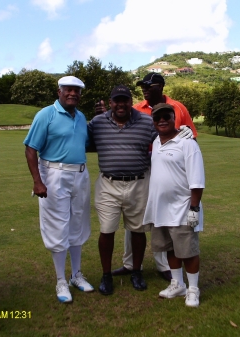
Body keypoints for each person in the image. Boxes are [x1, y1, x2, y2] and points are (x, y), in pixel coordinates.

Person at [108, 73, 198, 281]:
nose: (145, 90)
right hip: (142, 165)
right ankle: (129, 263)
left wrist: (185, 131)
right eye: (143, 86)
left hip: (168, 167)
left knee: (164, 214)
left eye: (150, 86)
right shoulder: (137, 108)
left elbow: (191, 139)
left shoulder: (178, 108)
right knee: (135, 216)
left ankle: (164, 265)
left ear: (162, 87)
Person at [23, 76, 94, 304]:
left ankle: (76, 275)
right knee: (57, 225)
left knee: (78, 223)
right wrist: (37, 181)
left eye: (77, 91)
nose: (73, 93)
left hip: (80, 174)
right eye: (68, 90)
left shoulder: (81, 117)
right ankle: (60, 279)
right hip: (53, 174)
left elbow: (87, 144)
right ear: (59, 91)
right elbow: (31, 149)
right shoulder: (46, 114)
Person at [87, 85, 156, 295]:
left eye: (124, 100)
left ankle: (136, 271)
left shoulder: (146, 121)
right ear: (110, 103)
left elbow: (163, 140)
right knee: (107, 230)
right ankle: (106, 275)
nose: (121, 104)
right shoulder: (97, 123)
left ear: (130, 101)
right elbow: (84, 143)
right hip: (108, 184)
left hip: (139, 183)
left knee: (138, 230)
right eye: (116, 100)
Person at [143, 103, 205, 308]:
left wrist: (194, 208)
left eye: (166, 116)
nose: (161, 120)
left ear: (174, 118)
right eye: (157, 117)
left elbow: (197, 179)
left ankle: (193, 289)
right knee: (169, 249)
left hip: (182, 208)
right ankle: (177, 284)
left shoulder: (187, 143)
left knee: (188, 250)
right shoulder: (157, 142)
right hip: (161, 208)